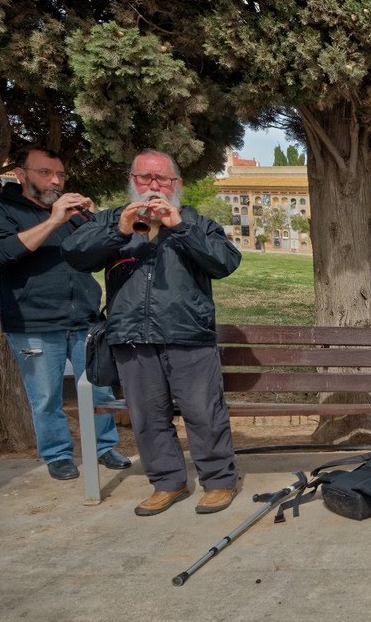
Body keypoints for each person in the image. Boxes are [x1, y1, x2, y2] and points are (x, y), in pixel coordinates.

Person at [63, 149, 242, 516]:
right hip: (131, 336)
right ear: (133, 181)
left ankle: (219, 481)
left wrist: (180, 227)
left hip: (188, 335)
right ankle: (167, 483)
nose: (154, 186)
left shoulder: (197, 222)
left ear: (177, 184)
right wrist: (119, 230)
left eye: (162, 179)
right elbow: (76, 255)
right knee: (147, 417)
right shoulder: (113, 220)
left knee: (204, 413)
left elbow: (226, 262)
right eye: (146, 178)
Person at [0, 147, 133, 482]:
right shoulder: (0, 209)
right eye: (46, 173)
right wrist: (53, 221)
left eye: (60, 174)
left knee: (100, 387)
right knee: (46, 396)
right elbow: (2, 252)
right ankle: (58, 454)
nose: (55, 181)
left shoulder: (73, 213)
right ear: (21, 174)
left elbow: (106, 253)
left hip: (85, 318)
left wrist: (94, 219)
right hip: (33, 321)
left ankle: (104, 446)